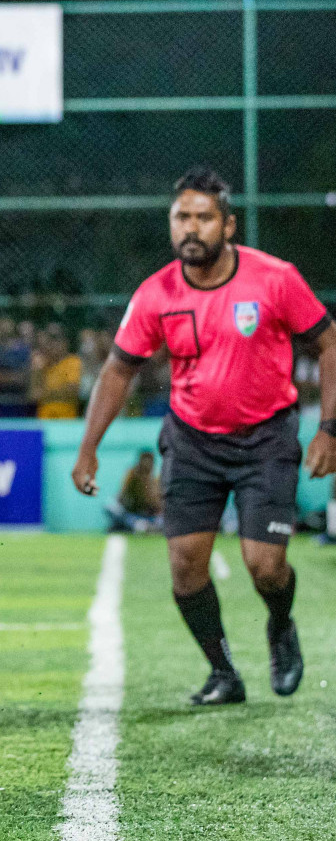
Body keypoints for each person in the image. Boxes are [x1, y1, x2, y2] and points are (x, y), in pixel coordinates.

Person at [73, 166, 336, 706]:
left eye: (203, 217)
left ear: (228, 225)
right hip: (192, 440)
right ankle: (223, 673)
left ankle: (280, 625)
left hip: (267, 439)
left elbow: (330, 346)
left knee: (265, 565)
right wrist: (88, 447)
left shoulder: (275, 279)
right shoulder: (155, 295)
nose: (190, 228)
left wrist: (329, 428)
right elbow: (119, 370)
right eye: (181, 218)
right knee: (185, 564)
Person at [30, 325, 82, 419]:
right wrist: (37, 371)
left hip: (66, 418)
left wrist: (46, 394)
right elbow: (34, 395)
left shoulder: (73, 361)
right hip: (43, 419)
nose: (53, 345)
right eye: (49, 342)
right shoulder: (41, 363)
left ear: (65, 343)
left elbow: (72, 393)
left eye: (56, 341)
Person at [106, 450, 164, 534]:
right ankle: (138, 526)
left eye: (149, 461)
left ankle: (143, 527)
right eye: (144, 460)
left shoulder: (155, 479)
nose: (146, 464)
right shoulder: (132, 475)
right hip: (131, 513)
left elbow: (158, 504)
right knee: (111, 507)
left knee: (164, 518)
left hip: (148, 516)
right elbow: (122, 496)